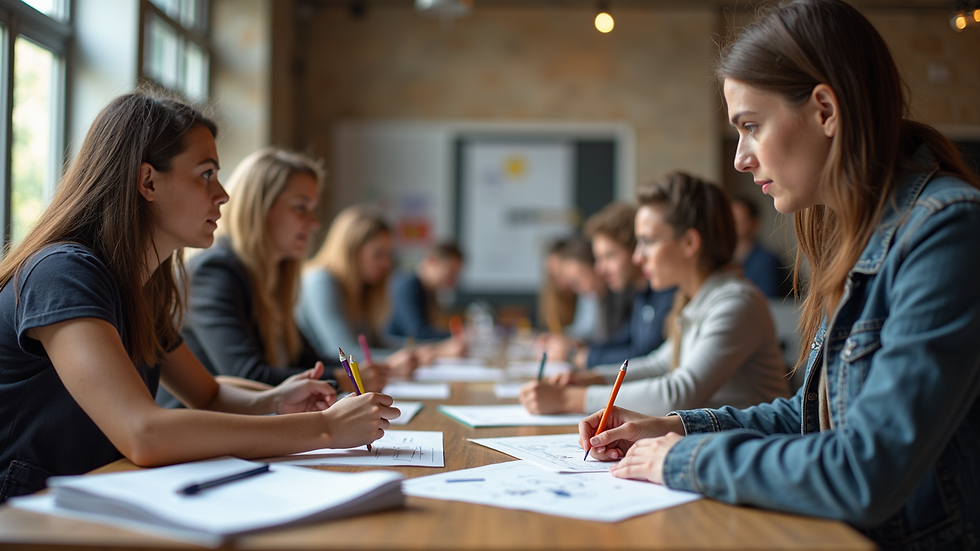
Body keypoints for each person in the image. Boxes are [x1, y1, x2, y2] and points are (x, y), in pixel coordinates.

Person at [578, 1, 980, 548]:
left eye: (750, 126)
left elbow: (865, 469)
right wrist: (674, 428)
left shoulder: (946, 231)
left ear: (824, 111)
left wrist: (684, 458)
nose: (741, 159)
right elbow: (813, 416)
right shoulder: (858, 234)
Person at [0, 92, 397, 503]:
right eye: (207, 174)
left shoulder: (142, 286)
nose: (223, 194)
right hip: (23, 516)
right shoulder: (64, 273)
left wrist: (275, 400)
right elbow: (143, 433)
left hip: (90, 499)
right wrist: (326, 429)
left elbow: (207, 394)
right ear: (148, 181)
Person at [520, 172, 790, 416]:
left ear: (689, 243)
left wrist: (570, 399)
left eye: (648, 241)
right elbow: (658, 365)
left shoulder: (735, 302)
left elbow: (678, 393)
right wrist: (591, 379)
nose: (639, 257)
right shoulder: (697, 300)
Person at [157, 148, 387, 411]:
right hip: (200, 434)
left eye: (313, 209)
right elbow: (248, 375)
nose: (313, 223)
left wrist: (357, 372)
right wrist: (342, 379)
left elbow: (305, 359)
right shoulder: (214, 271)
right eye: (301, 207)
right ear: (259, 208)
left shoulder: (273, 277)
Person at [299, 205, 451, 374]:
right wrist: (407, 357)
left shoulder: (361, 288)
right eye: (378, 254)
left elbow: (376, 344)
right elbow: (346, 353)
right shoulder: (321, 281)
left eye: (388, 255)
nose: (386, 264)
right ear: (351, 251)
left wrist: (422, 350)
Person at [552, 202, 675, 370]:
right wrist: (578, 349)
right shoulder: (640, 294)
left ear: (634, 249)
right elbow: (624, 339)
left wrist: (585, 357)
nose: (600, 270)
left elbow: (646, 353)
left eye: (609, 256)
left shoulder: (667, 292)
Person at [385, 241, 464, 341]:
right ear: (432, 261)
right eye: (451, 273)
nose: (453, 282)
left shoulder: (428, 292)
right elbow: (417, 333)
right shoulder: (408, 286)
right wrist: (459, 335)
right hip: (390, 351)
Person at [730, 195, 788, 297]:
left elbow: (771, 303)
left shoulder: (768, 262)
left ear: (754, 223)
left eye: (739, 219)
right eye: (731, 218)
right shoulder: (724, 261)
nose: (734, 223)